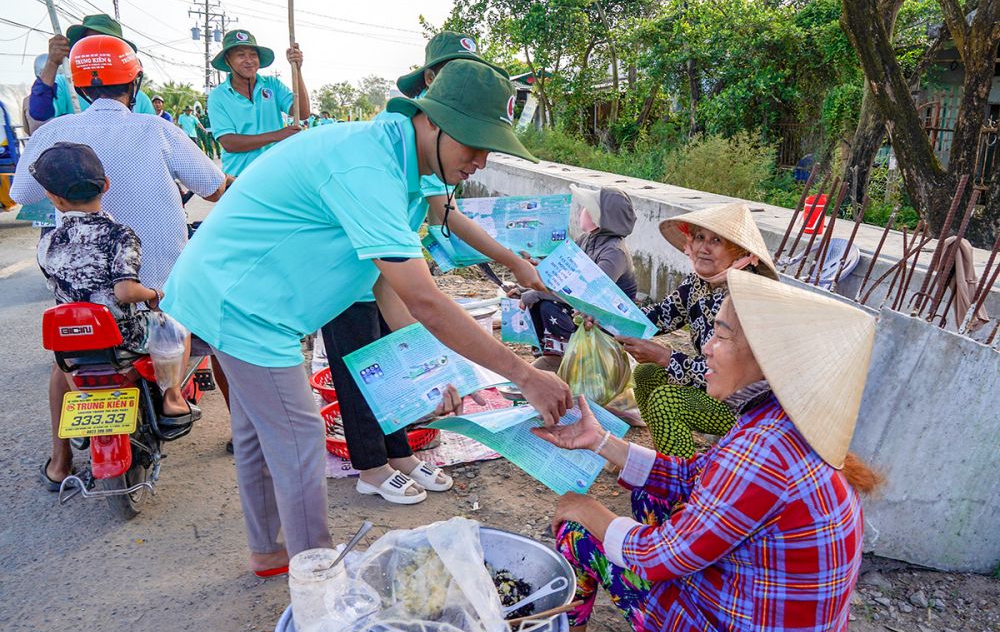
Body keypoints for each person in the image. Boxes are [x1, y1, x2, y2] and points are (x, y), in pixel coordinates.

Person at [161, 60, 573, 576]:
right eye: (474, 145)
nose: (481, 161)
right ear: (433, 121)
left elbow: (390, 292)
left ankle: (269, 553)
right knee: (297, 437)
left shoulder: (404, 169)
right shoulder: (367, 167)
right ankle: (323, 580)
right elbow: (424, 299)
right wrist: (525, 375)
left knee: (255, 432)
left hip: (245, 297)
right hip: (243, 307)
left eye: (490, 148)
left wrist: (440, 373)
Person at [532, 269, 882, 632]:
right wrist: (602, 442)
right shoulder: (785, 423)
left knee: (577, 532)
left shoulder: (761, 451)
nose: (707, 349)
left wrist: (586, 509)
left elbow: (661, 557)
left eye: (721, 336)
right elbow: (695, 475)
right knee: (650, 495)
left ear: (767, 357)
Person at [317, 31, 547, 507]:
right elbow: (430, 272)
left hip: (387, 275)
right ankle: (371, 466)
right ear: (430, 83)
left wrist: (438, 363)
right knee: (359, 371)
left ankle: (397, 454)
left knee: (394, 368)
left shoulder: (434, 150)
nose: (479, 160)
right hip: (347, 277)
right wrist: (511, 371)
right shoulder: (393, 146)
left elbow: (443, 218)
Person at [11, 35, 228, 485]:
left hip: (86, 310)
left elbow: (21, 194)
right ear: (135, 82)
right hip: (157, 291)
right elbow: (212, 186)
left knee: (63, 366)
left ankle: (59, 463)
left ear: (81, 86)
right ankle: (236, 429)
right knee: (219, 336)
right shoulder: (158, 129)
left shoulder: (54, 132)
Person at [31, 143, 197, 489]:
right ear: (106, 185)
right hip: (122, 337)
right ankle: (172, 397)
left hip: (73, 346)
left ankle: (59, 462)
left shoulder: (48, 243)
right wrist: (155, 295)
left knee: (59, 370)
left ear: (52, 198)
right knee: (178, 328)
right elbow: (125, 292)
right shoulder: (120, 234)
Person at [624, 202, 777, 457]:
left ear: (738, 251)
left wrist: (667, 357)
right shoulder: (698, 283)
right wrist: (609, 317)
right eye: (699, 237)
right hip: (707, 386)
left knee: (667, 400)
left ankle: (684, 483)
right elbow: (660, 317)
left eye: (716, 240)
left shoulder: (747, 295)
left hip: (742, 407)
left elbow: (729, 370)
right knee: (646, 373)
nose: (703, 248)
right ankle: (666, 458)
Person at [518, 184, 638, 370]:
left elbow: (588, 293)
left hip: (606, 321)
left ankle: (574, 360)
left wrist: (540, 293)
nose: (582, 212)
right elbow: (566, 275)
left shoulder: (614, 253)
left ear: (600, 220)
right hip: (584, 309)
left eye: (587, 209)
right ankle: (554, 356)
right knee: (535, 300)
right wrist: (533, 276)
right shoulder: (587, 239)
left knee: (548, 305)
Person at [207, 29, 309, 176]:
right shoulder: (218, 96)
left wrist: (297, 70)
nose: (249, 60)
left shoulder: (272, 84)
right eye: (241, 55)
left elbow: (303, 112)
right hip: (240, 176)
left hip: (277, 172)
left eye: (253, 55)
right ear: (228, 61)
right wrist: (276, 135)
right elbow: (229, 143)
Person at [29, 13, 156, 122]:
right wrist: (52, 62)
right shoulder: (65, 83)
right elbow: (39, 112)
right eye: (88, 44)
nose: (96, 51)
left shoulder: (140, 99)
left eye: (104, 44)